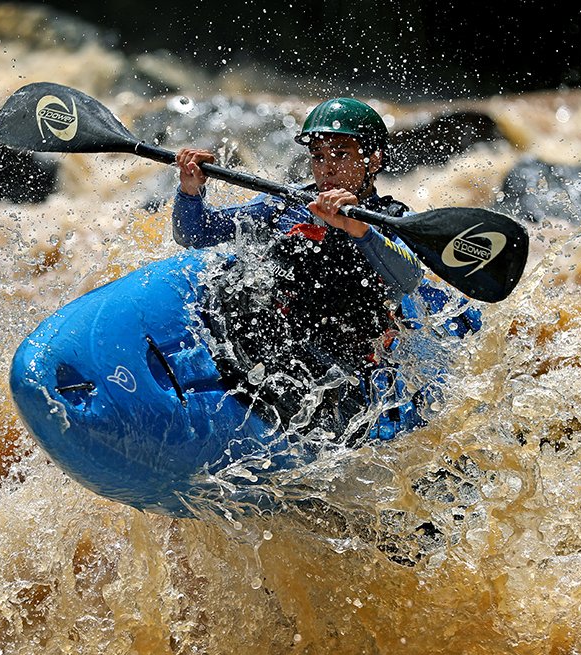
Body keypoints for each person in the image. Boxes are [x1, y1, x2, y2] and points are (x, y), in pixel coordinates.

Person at [171, 98, 475, 441]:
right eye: (318, 156)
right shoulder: (286, 207)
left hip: (344, 376)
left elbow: (409, 278)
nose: (326, 168)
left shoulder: (390, 219)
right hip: (280, 354)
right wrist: (190, 190)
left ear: (373, 159)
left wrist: (358, 229)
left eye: (340, 154)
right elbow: (195, 234)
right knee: (232, 284)